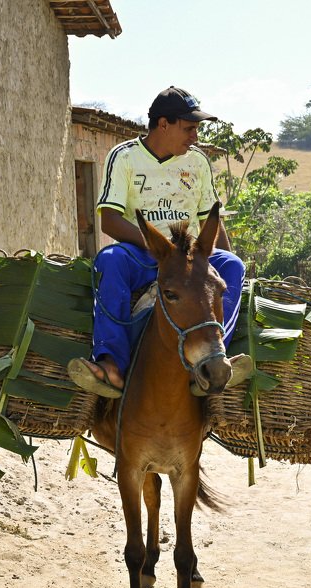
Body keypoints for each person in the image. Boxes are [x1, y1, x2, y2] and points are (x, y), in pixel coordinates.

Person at [68, 86, 246, 398]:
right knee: (109, 259)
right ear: (163, 124)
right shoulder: (123, 157)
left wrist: (222, 266)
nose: (195, 137)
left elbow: (210, 222)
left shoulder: (198, 163)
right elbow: (109, 219)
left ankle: (218, 359)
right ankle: (111, 363)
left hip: (191, 260)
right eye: (189, 128)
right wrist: (156, 246)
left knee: (232, 266)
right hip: (142, 254)